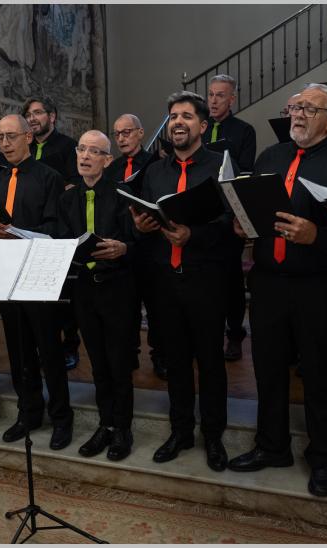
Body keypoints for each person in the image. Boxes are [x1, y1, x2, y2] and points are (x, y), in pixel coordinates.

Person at [227, 85, 327, 499]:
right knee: (267, 370)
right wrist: (242, 225)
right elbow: (254, 211)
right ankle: (272, 447)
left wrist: (316, 236)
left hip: (319, 286)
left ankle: (323, 455)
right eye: (294, 108)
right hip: (268, 281)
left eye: (308, 109)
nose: (297, 115)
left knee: (319, 374)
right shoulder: (272, 157)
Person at [0, 114, 74, 450]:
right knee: (19, 349)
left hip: (37, 273)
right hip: (5, 272)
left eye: (11, 137)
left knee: (49, 351)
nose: (5, 144)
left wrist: (17, 236)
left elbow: (56, 229)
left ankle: (61, 418)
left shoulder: (49, 177)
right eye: (1, 138)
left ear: (28, 137)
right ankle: (29, 412)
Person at [132, 91, 234, 472]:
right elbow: (142, 219)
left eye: (187, 116)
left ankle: (213, 436)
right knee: (174, 361)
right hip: (164, 280)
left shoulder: (220, 166)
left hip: (205, 277)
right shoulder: (155, 172)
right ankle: (180, 431)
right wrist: (139, 227)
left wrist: (195, 236)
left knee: (209, 362)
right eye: (173, 115)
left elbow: (230, 223)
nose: (178, 122)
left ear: (202, 126)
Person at [58, 130, 138, 461]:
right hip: (85, 287)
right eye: (81, 149)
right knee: (98, 363)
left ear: (107, 160)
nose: (85, 156)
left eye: (94, 151)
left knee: (119, 362)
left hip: (118, 287)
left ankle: (123, 428)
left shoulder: (123, 194)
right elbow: (63, 238)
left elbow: (139, 242)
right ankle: (105, 424)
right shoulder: (67, 198)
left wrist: (124, 248)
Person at [104, 113, 166, 380]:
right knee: (126, 308)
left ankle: (160, 355)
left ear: (141, 133)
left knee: (156, 307)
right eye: (117, 134)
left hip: (151, 243)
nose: (122, 138)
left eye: (127, 132)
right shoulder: (113, 169)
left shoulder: (156, 163)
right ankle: (129, 354)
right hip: (125, 245)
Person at [22, 96, 82, 370]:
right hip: (29, 228)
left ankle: (69, 346)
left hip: (58, 228)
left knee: (62, 295)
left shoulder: (68, 146)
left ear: (52, 116)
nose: (32, 118)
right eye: (28, 115)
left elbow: (73, 185)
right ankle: (40, 345)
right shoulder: (26, 147)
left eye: (37, 113)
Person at [202, 74, 257, 363]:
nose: (213, 100)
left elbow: (246, 171)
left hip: (228, 213)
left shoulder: (244, 130)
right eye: (210, 94)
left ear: (231, 99)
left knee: (231, 280)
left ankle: (235, 334)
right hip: (201, 213)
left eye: (220, 95)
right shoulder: (199, 127)